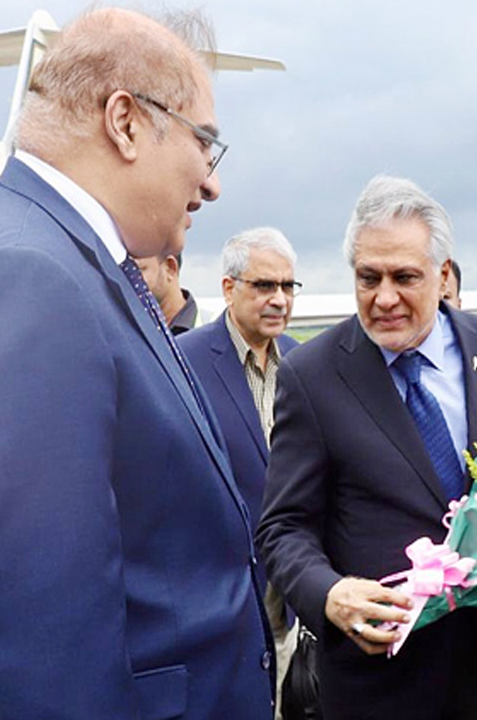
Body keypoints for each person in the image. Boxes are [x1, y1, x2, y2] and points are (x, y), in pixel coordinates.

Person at [0, 8, 274, 719]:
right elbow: (46, 652)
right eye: (205, 143)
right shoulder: (27, 280)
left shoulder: (53, 257)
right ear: (126, 122)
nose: (212, 184)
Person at [257, 175, 477, 719]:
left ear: (443, 274)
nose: (384, 298)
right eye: (368, 278)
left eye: (404, 277)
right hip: (373, 685)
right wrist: (330, 595)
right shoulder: (312, 375)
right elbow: (282, 528)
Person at [177, 226, 301, 715]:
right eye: (264, 285)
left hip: (290, 595)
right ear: (229, 289)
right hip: (219, 597)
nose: (279, 299)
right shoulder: (185, 360)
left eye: (287, 286)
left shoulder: (302, 362)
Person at [136, 251, 207, 334]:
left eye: (139, 269)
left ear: (170, 268)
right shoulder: (130, 329)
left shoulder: (211, 328)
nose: (131, 278)